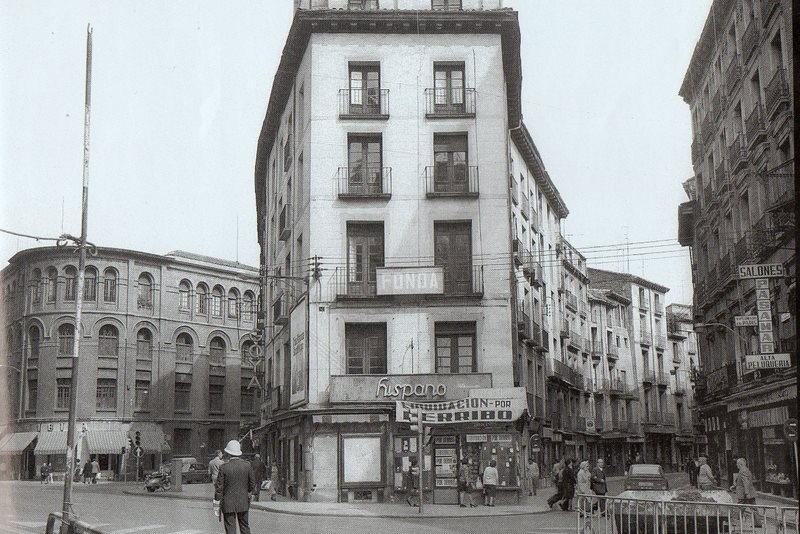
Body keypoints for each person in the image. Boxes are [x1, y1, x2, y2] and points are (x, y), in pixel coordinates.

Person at [213, 439, 255, 534]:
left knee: (230, 529)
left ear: (228, 453)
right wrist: (246, 493)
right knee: (245, 527)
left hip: (228, 503)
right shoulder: (247, 466)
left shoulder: (224, 467)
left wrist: (216, 503)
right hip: (243, 502)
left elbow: (219, 488)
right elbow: (252, 485)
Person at [731, 458, 760, 527]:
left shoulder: (743, 470)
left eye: (737, 464)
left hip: (744, 493)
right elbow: (743, 481)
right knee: (753, 508)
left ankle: (735, 522)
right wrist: (734, 486)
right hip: (748, 492)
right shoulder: (745, 469)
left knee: (740, 507)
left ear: (740, 464)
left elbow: (746, 482)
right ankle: (757, 523)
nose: (736, 465)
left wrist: (747, 493)